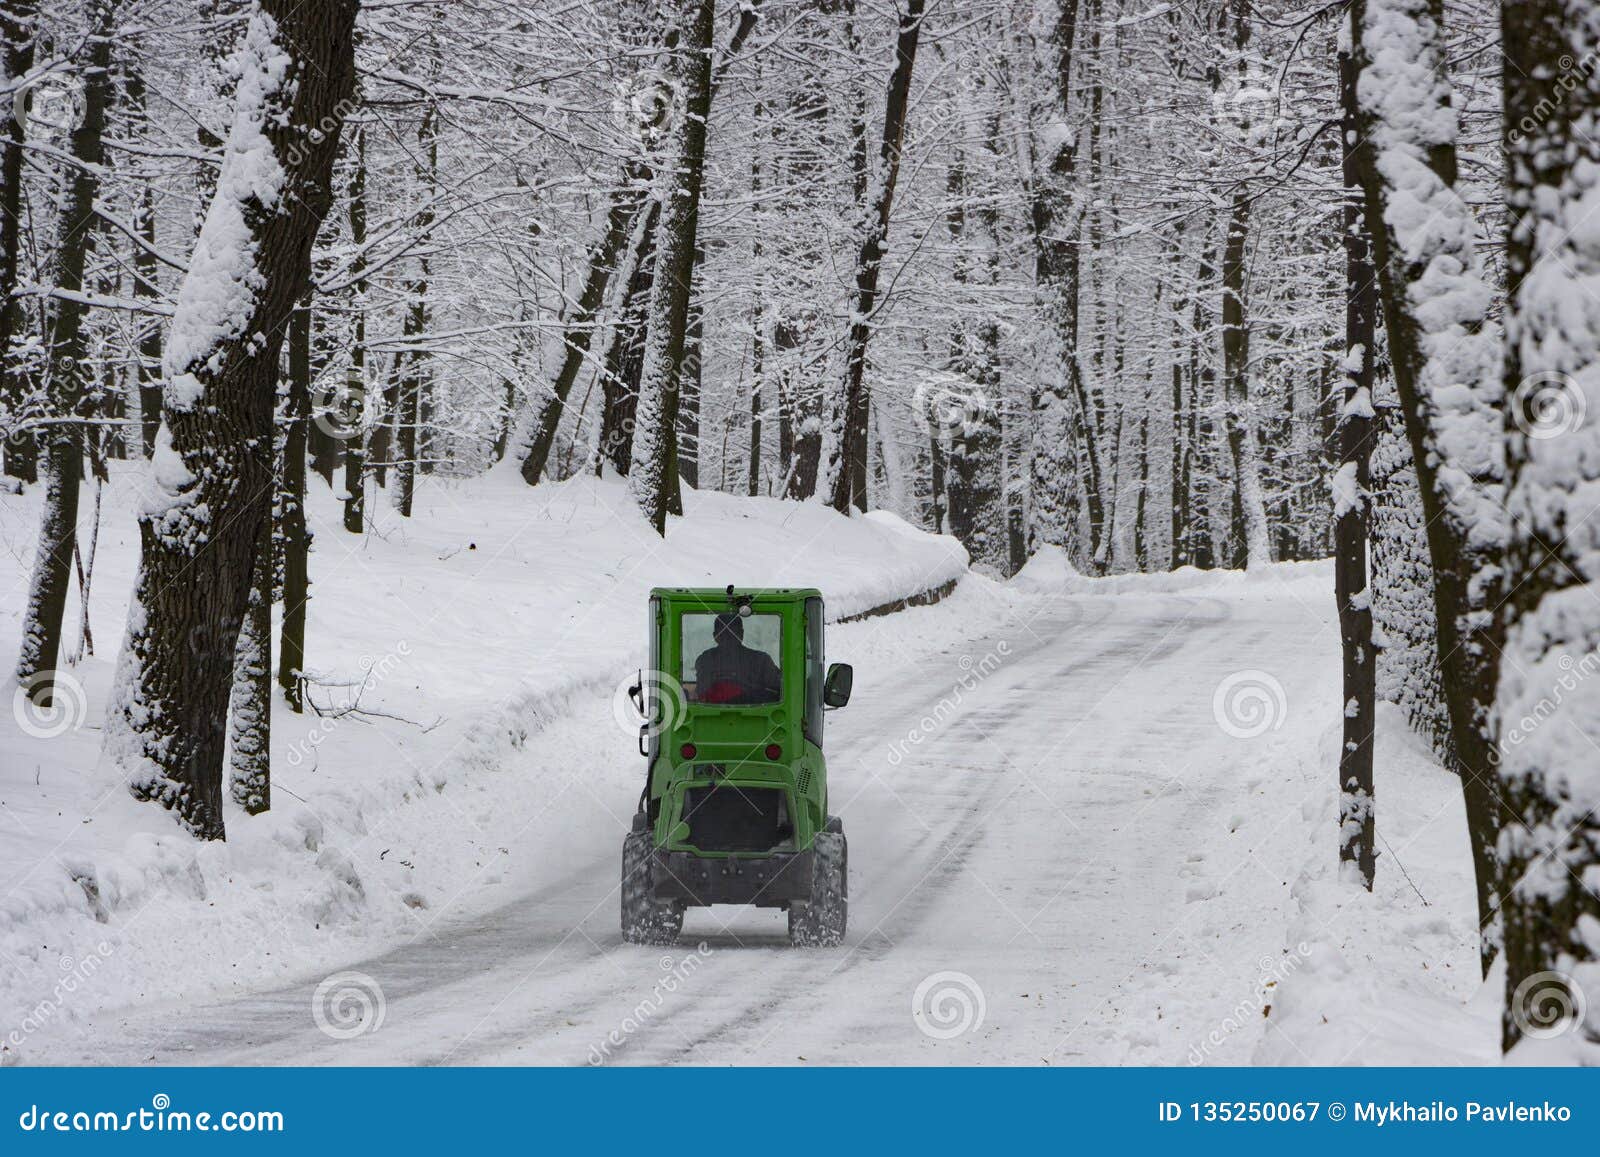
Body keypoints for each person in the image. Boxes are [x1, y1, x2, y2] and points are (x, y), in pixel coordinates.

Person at [694, 613, 781, 704]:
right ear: (715, 636)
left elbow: (781, 688)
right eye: (724, 634)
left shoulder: (762, 660)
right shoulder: (705, 659)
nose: (728, 637)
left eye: (732, 633)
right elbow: (702, 693)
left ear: (741, 634)